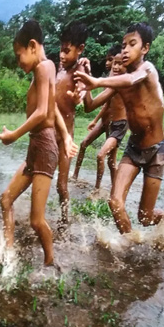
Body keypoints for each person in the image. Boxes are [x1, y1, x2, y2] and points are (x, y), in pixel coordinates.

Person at [75, 23, 164, 235]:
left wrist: (97, 81)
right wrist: (85, 80)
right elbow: (89, 106)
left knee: (145, 217)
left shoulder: (147, 70)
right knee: (115, 202)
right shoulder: (116, 83)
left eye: (132, 44)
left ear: (145, 49)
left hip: (156, 150)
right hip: (134, 149)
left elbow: (133, 78)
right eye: (123, 45)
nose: (125, 50)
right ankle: (132, 245)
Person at [0, 19, 76, 267]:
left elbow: (42, 112)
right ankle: (8, 254)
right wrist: (66, 136)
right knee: (6, 199)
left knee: (36, 220)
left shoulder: (43, 68)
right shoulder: (47, 68)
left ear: (32, 46)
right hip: (37, 147)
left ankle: (51, 264)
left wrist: (14, 135)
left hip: (43, 148)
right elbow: (52, 107)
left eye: (19, 55)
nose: (19, 62)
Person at [55, 20, 90, 224]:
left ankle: (65, 219)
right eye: (61, 49)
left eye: (67, 51)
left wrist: (79, 95)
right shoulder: (58, 68)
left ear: (80, 49)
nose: (62, 55)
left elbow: (82, 90)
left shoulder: (79, 71)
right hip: (50, 132)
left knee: (61, 184)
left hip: (66, 137)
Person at [72, 44, 120, 182]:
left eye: (111, 60)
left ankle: (108, 190)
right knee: (83, 144)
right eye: (109, 60)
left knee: (110, 161)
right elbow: (105, 103)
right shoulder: (111, 77)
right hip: (104, 121)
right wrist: (95, 120)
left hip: (116, 124)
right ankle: (75, 175)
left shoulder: (121, 78)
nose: (108, 63)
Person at [82, 51, 128, 190]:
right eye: (115, 63)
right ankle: (116, 190)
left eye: (120, 64)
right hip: (111, 124)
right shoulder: (113, 83)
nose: (116, 67)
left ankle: (97, 189)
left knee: (101, 155)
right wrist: (86, 78)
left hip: (121, 125)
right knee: (111, 162)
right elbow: (91, 105)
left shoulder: (126, 81)